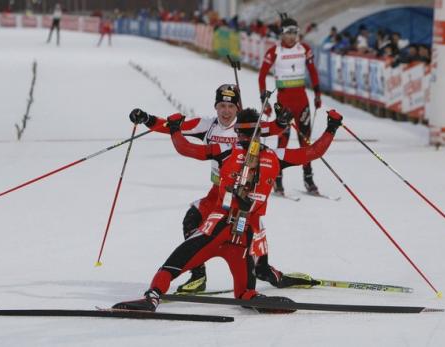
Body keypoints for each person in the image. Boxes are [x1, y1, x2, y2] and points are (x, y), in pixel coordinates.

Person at [113, 107, 343, 312]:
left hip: (220, 227)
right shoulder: (276, 155)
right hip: (243, 235)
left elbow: (186, 149)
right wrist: (331, 127)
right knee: (243, 292)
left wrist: (175, 129)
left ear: (238, 133)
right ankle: (251, 296)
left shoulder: (225, 149)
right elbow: (313, 152)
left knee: (174, 264)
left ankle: (153, 296)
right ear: (259, 132)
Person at [129, 84, 311, 293]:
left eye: (231, 107)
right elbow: (171, 125)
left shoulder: (247, 126)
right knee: (192, 220)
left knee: (247, 237)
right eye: (222, 106)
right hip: (218, 192)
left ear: (237, 108)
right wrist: (146, 118)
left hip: (244, 195)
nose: (226, 111)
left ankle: (264, 270)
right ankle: (198, 276)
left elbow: (274, 128)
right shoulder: (207, 125)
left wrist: (282, 119)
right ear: (216, 107)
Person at [258, 15, 322, 195]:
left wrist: (317, 93)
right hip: (283, 103)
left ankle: (308, 179)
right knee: (282, 140)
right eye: (289, 33)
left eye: (295, 32)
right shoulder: (274, 52)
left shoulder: (305, 49)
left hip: (302, 102)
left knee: (305, 141)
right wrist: (265, 100)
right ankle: (277, 180)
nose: (292, 36)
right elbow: (262, 76)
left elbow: (313, 71)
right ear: (282, 34)